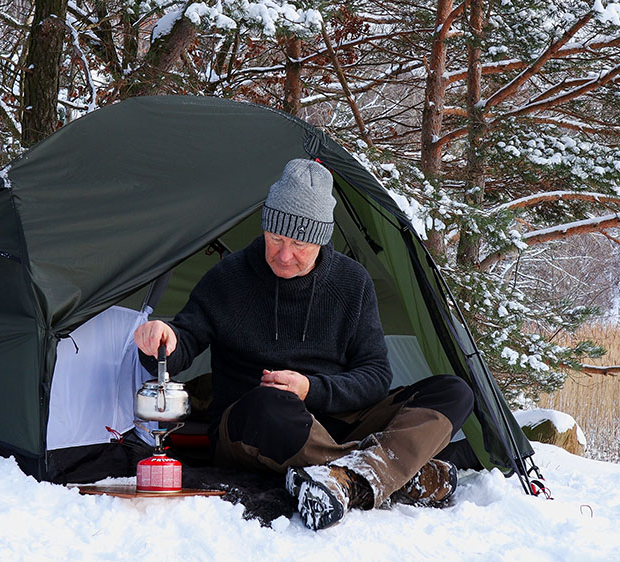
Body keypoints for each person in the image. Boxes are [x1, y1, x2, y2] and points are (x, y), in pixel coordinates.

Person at [133, 158, 473, 530]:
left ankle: (349, 480)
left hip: (338, 418)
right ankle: (392, 473)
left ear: (322, 238)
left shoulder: (352, 282)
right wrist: (161, 337)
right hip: (256, 425)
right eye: (276, 238)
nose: (283, 255)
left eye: (299, 244)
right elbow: (182, 343)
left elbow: (375, 376)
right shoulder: (228, 278)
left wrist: (311, 388)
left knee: (454, 392)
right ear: (265, 227)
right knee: (270, 403)